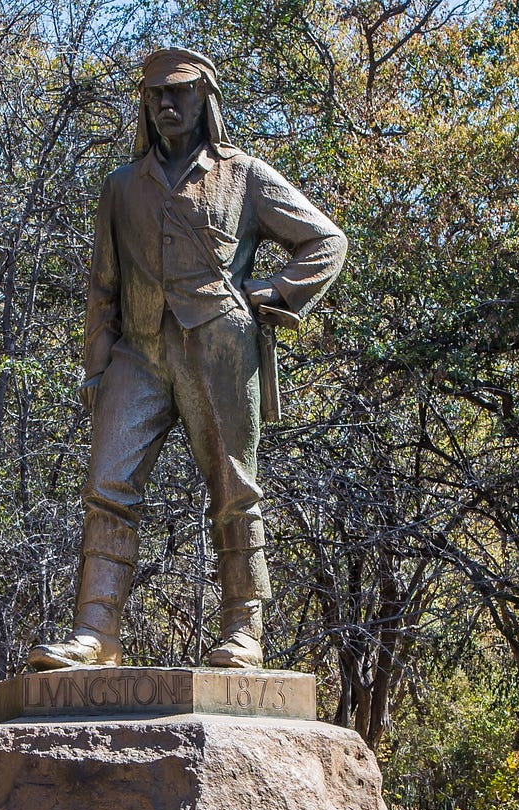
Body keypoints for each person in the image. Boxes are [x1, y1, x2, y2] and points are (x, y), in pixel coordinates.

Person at [28, 47, 347, 671]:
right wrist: (96, 364)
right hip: (138, 352)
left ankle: (244, 632)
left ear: (206, 100)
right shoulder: (121, 187)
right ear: (144, 105)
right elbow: (103, 285)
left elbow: (326, 241)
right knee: (107, 486)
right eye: (156, 96)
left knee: (234, 488)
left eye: (181, 93)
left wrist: (274, 292)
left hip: (220, 348)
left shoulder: (246, 176)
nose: (168, 105)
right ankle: (96, 634)